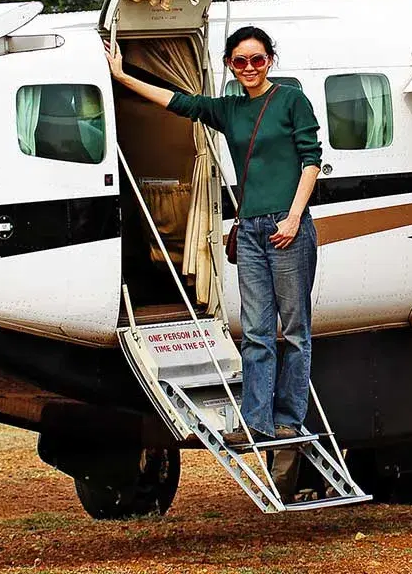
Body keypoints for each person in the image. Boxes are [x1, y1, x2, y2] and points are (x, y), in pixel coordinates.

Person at [108, 26, 323, 446]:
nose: (249, 68)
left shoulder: (291, 101)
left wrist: (294, 218)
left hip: (287, 225)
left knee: (295, 330)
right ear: (229, 64)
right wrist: (121, 77)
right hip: (250, 230)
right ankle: (256, 421)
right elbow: (179, 102)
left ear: (270, 61)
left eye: (257, 60)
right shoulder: (228, 110)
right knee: (257, 331)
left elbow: (311, 161)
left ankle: (288, 419)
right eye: (240, 61)